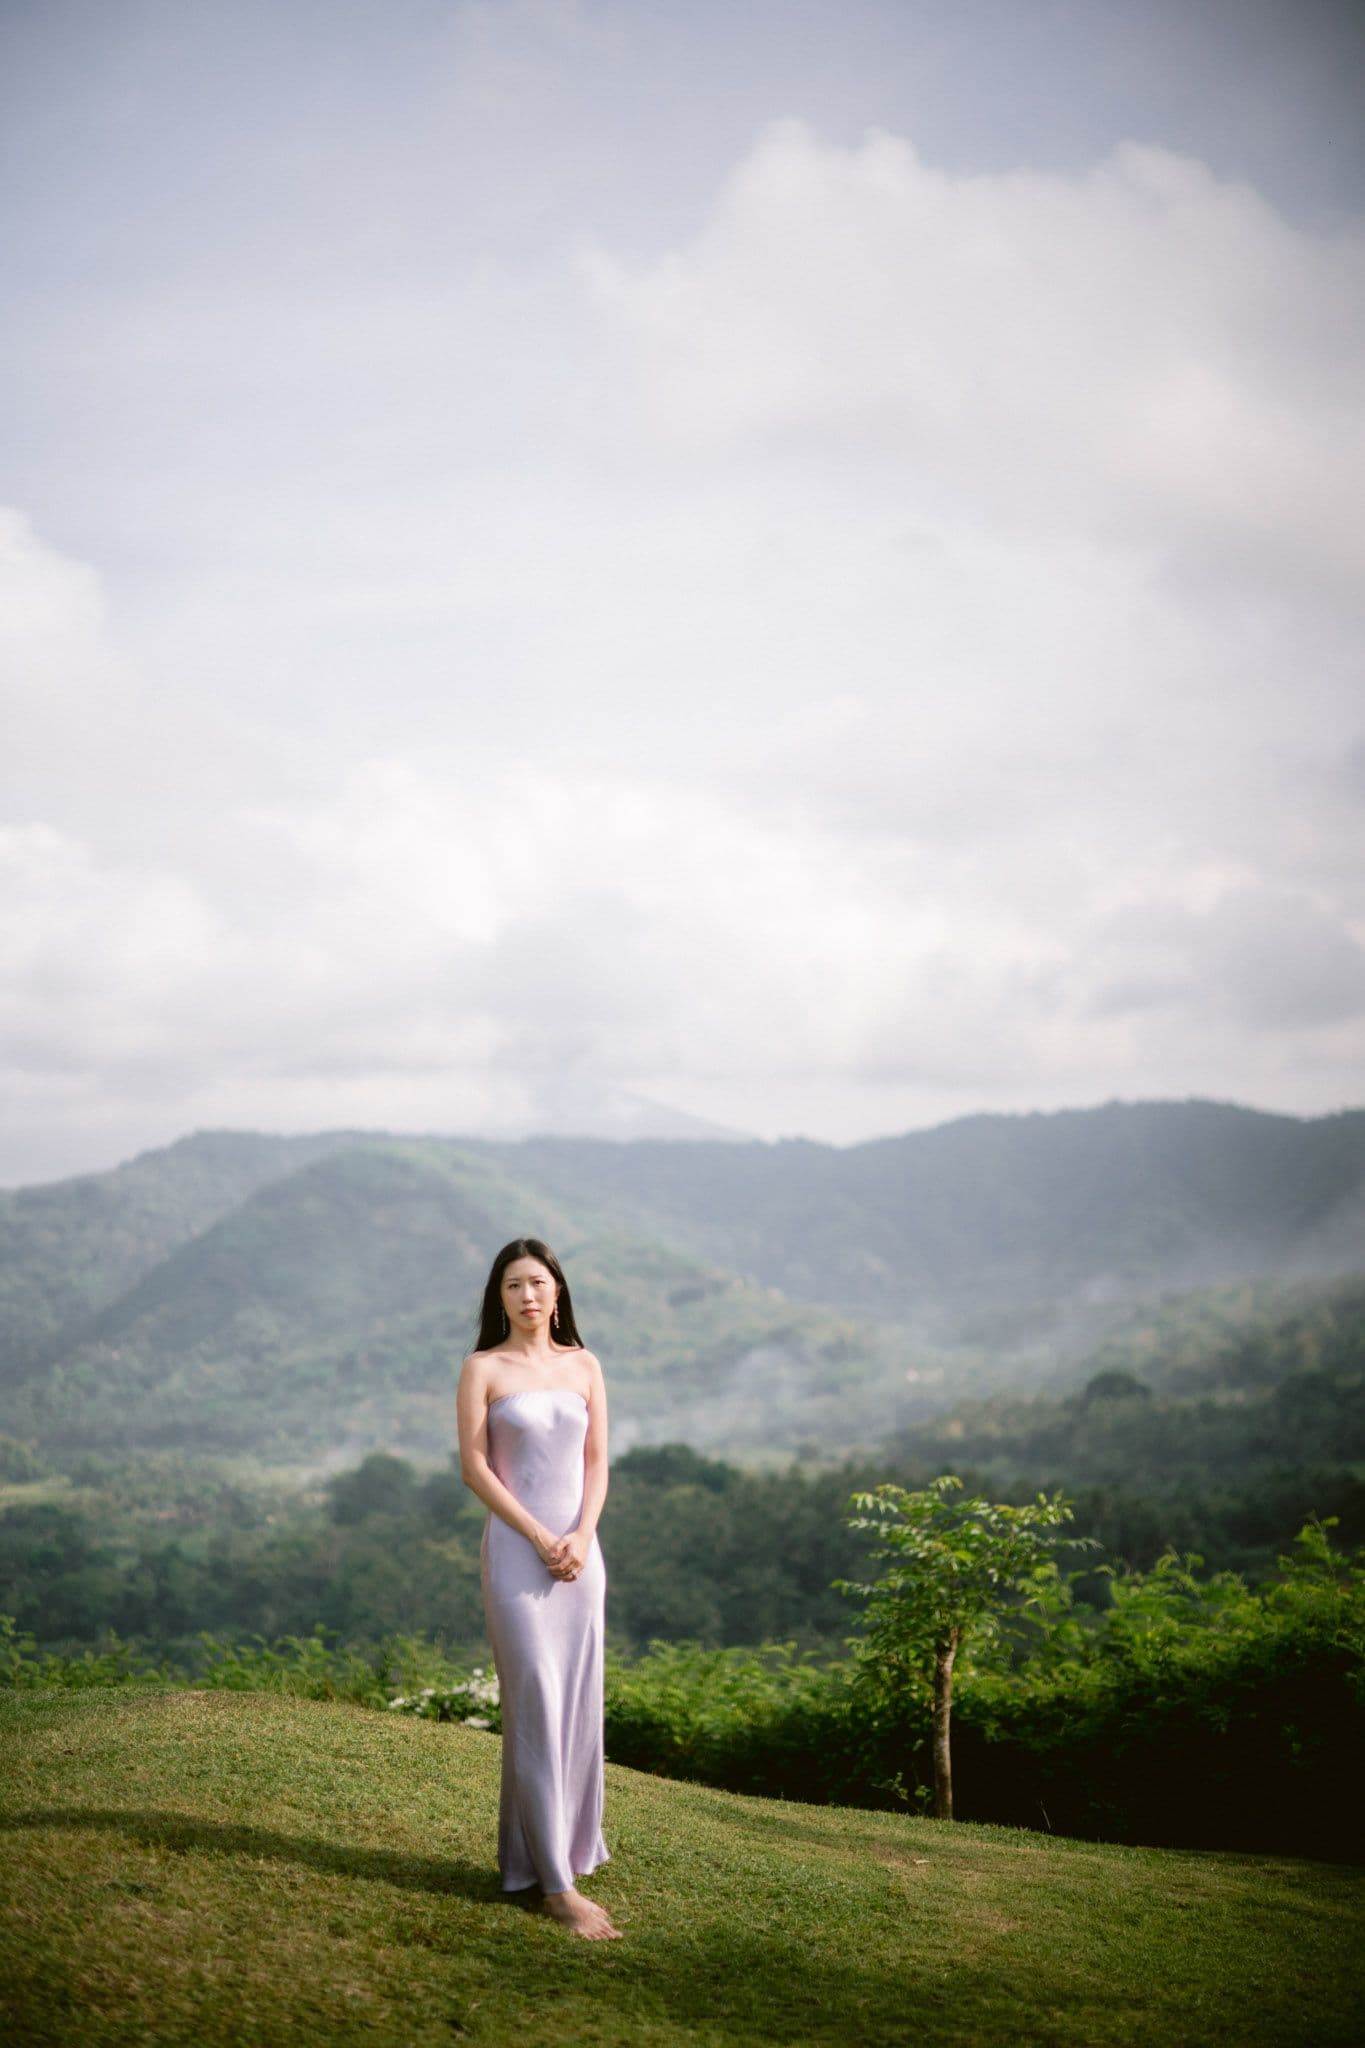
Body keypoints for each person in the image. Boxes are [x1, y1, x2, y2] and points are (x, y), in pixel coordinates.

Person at [456, 1237, 621, 1941]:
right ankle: (553, 1885)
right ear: (499, 1297)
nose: (528, 1295)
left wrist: (580, 1535)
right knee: (535, 1705)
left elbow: (597, 1463)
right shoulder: (482, 1368)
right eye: (513, 1285)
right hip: (519, 1556)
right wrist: (537, 1535)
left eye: (538, 1283)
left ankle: (567, 1853)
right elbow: (474, 1467)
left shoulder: (585, 1365)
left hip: (581, 1560)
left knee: (577, 1703)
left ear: (558, 1293)